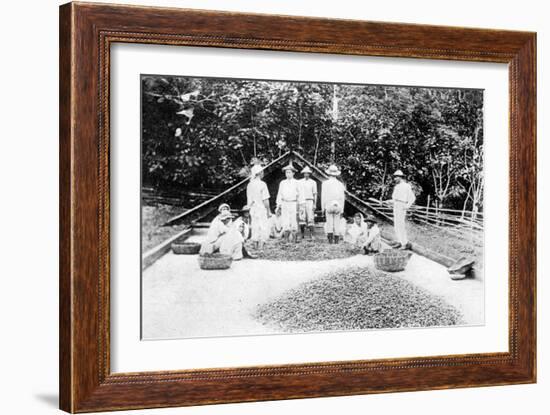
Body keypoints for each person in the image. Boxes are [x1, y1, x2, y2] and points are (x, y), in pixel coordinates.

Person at [389, 169, 416, 249]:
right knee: (396, 225)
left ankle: (405, 243)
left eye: (396, 177)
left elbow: (412, 198)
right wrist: (389, 202)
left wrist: (407, 206)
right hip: (396, 205)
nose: (394, 179)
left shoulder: (406, 186)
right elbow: (394, 199)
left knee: (401, 225)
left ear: (400, 177)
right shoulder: (396, 187)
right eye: (394, 177)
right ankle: (399, 242)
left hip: (402, 206)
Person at [246, 164, 271, 250]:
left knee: (255, 226)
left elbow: (249, 201)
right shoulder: (262, 184)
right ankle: (261, 246)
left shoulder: (250, 185)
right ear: (259, 173)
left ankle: (255, 245)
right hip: (261, 208)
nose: (263, 173)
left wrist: (249, 209)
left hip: (253, 209)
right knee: (263, 226)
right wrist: (268, 211)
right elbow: (265, 200)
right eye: (262, 171)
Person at [276, 163, 302, 242]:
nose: (288, 174)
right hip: (285, 203)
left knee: (294, 221)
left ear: (293, 173)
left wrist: (301, 205)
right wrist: (279, 205)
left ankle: (294, 239)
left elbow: (301, 195)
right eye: (286, 172)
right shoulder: (282, 183)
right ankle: (286, 239)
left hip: (293, 203)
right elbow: (279, 194)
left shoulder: (297, 182)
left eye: (289, 172)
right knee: (285, 221)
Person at [321, 164, 346, 244]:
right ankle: (336, 240)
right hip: (338, 204)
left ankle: (330, 241)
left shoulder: (325, 183)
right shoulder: (340, 184)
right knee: (337, 222)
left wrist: (322, 208)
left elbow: (323, 196)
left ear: (329, 173)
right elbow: (342, 198)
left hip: (329, 204)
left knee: (329, 222)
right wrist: (342, 209)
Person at [298, 166, 318, 240]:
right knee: (302, 218)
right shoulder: (299, 182)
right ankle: (302, 234)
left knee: (310, 218)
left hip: (310, 200)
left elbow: (315, 194)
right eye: (305, 173)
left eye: (308, 173)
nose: (306, 174)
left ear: (309, 174)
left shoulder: (313, 182)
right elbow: (297, 193)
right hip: (302, 201)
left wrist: (315, 204)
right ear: (303, 174)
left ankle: (312, 235)